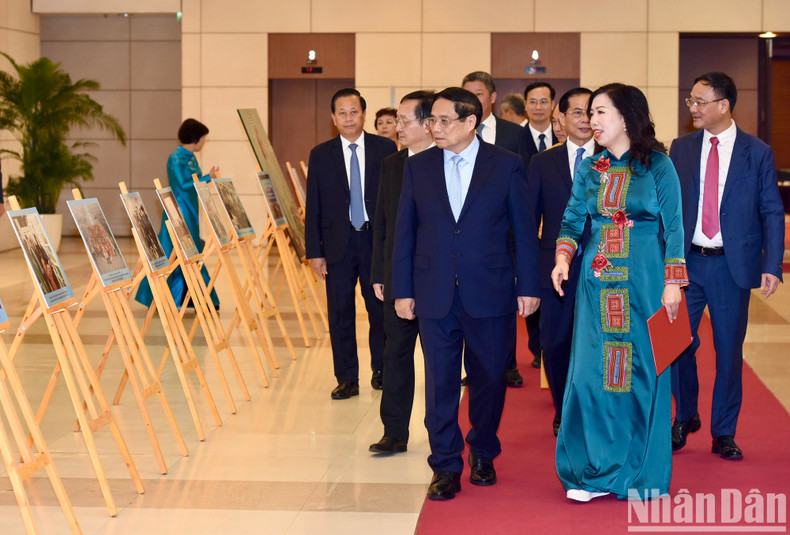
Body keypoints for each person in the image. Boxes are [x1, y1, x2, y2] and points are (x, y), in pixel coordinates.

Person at [391, 87, 539, 501]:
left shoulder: (506, 165)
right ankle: (445, 464)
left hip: (489, 290)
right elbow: (405, 232)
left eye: (443, 121)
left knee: (490, 378)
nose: (434, 128)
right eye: (431, 121)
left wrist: (528, 286)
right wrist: (402, 289)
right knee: (439, 383)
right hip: (433, 290)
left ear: (471, 122)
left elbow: (524, 231)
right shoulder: (418, 168)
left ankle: (484, 449)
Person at [551, 83, 687, 502]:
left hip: (646, 284)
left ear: (626, 117)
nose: (592, 120)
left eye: (600, 112)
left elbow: (675, 227)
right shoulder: (591, 169)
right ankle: (593, 473)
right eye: (590, 113)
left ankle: (641, 474)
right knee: (593, 378)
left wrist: (673, 283)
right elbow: (573, 221)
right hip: (596, 288)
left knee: (645, 376)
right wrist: (563, 259)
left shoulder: (660, 165)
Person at [670, 72, 784, 460]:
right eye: (691, 101)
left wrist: (772, 263)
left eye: (700, 101)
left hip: (731, 267)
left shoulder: (757, 152)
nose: (693, 108)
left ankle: (723, 431)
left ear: (724, 105)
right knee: (675, 346)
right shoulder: (681, 148)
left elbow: (771, 210)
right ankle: (685, 416)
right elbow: (670, 209)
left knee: (728, 351)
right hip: (686, 264)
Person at [305, 88, 397, 400]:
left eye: (354, 112)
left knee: (380, 312)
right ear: (333, 118)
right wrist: (314, 252)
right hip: (336, 247)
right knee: (340, 313)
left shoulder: (385, 147)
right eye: (342, 113)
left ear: (364, 114)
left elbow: (393, 200)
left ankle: (381, 370)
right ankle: (346, 378)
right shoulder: (321, 154)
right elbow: (313, 206)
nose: (348, 118)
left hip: (375, 243)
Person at [369, 90, 435, 455]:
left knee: (438, 361)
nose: (397, 127)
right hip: (397, 277)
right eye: (396, 119)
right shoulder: (392, 165)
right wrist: (380, 272)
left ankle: (439, 435)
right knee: (395, 355)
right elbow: (382, 223)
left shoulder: (446, 162)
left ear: (428, 124)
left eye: (404, 120)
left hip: (436, 279)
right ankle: (393, 431)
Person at [527, 87, 595, 437]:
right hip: (554, 271)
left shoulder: (615, 159)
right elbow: (527, 221)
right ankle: (562, 404)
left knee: (597, 342)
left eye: (592, 112)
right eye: (578, 113)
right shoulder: (543, 162)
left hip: (605, 269)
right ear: (562, 119)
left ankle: (590, 407)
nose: (585, 120)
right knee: (554, 342)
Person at [462, 70, 527, 387]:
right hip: (470, 238)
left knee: (505, 301)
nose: (472, 100)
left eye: (477, 93)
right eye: (466, 94)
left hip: (508, 233)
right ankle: (473, 366)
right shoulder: (454, 135)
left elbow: (526, 184)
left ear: (492, 97)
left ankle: (508, 363)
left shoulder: (513, 134)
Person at [135, 118, 219, 309]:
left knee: (190, 250)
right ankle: (173, 297)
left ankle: (191, 297)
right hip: (180, 212)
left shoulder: (190, 157)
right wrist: (208, 177)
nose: (204, 143)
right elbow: (182, 185)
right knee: (178, 250)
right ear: (196, 139)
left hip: (191, 210)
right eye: (203, 139)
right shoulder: (176, 158)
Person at [522, 81, 559, 370]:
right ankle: (538, 347)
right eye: (532, 101)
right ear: (525, 105)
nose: (538, 107)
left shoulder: (566, 140)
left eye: (543, 101)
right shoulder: (514, 138)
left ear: (552, 105)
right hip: (530, 227)